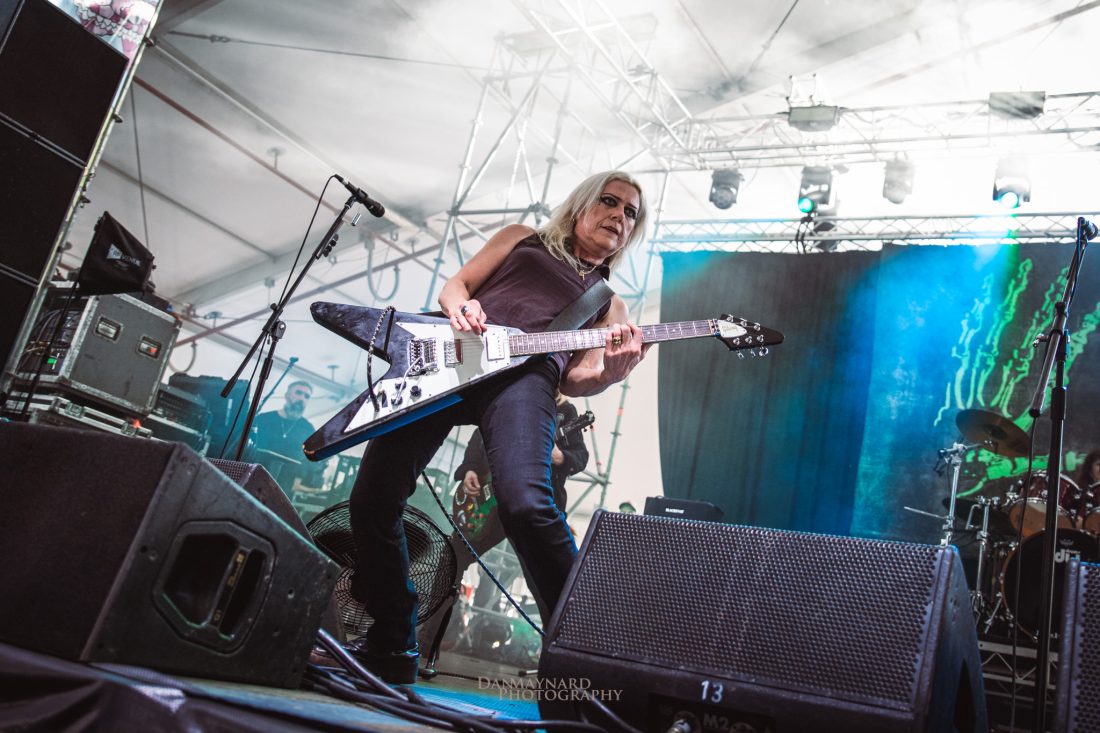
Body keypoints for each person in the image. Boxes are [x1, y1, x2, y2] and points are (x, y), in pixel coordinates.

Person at [346, 170, 651, 683]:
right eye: (609, 201)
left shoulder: (608, 303)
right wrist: (460, 306)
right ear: (582, 205)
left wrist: (608, 375)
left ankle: (586, 659)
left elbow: (576, 378)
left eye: (631, 213)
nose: (620, 215)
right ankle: (392, 641)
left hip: (528, 378)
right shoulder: (521, 239)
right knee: (372, 499)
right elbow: (457, 285)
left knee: (527, 504)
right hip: (456, 353)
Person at [455, 392, 590, 616]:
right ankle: (429, 632)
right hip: (489, 503)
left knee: (544, 581)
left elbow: (580, 456)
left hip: (530, 506)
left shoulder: (565, 412)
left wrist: (559, 457)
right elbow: (480, 435)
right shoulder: (508, 397)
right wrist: (469, 468)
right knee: (453, 558)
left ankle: (558, 636)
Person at [249, 380, 324, 491]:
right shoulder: (263, 419)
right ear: (287, 395)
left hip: (284, 487)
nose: (302, 398)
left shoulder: (308, 429)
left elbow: (308, 459)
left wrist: (299, 480)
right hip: (254, 478)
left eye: (306, 396)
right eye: (298, 393)